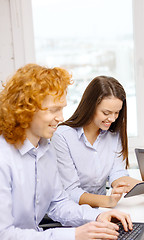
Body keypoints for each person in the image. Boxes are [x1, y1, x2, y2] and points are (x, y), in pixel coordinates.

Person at [0, 64, 133, 239]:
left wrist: (98, 216)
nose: (61, 118)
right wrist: (74, 235)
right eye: (53, 110)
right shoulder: (4, 158)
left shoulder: (45, 150)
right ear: (25, 109)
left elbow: (58, 204)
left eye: (61, 108)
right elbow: (4, 234)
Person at [52, 76, 142, 208]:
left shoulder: (113, 133)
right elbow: (71, 191)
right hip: (72, 213)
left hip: (102, 210)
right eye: (106, 113)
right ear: (90, 106)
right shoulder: (63, 136)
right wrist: (107, 201)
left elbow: (117, 174)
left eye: (117, 113)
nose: (112, 119)